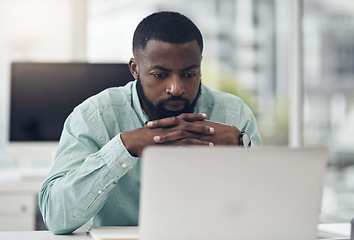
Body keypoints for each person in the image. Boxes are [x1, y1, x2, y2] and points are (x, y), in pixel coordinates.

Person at [39, 11, 262, 234]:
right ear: (135, 69)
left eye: (189, 74)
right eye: (159, 75)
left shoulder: (234, 114)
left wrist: (242, 147)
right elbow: (56, 218)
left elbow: (266, 211)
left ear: (200, 66)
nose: (176, 88)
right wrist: (123, 147)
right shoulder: (94, 116)